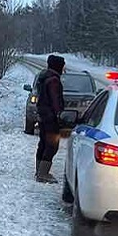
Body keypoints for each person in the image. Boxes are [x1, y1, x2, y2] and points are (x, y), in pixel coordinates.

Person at [33, 54, 66, 184]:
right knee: (52, 145)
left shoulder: (44, 77)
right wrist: (60, 114)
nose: (64, 68)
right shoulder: (54, 80)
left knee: (43, 143)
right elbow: (55, 100)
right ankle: (43, 173)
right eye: (63, 65)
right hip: (51, 117)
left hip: (42, 115)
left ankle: (39, 170)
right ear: (58, 66)